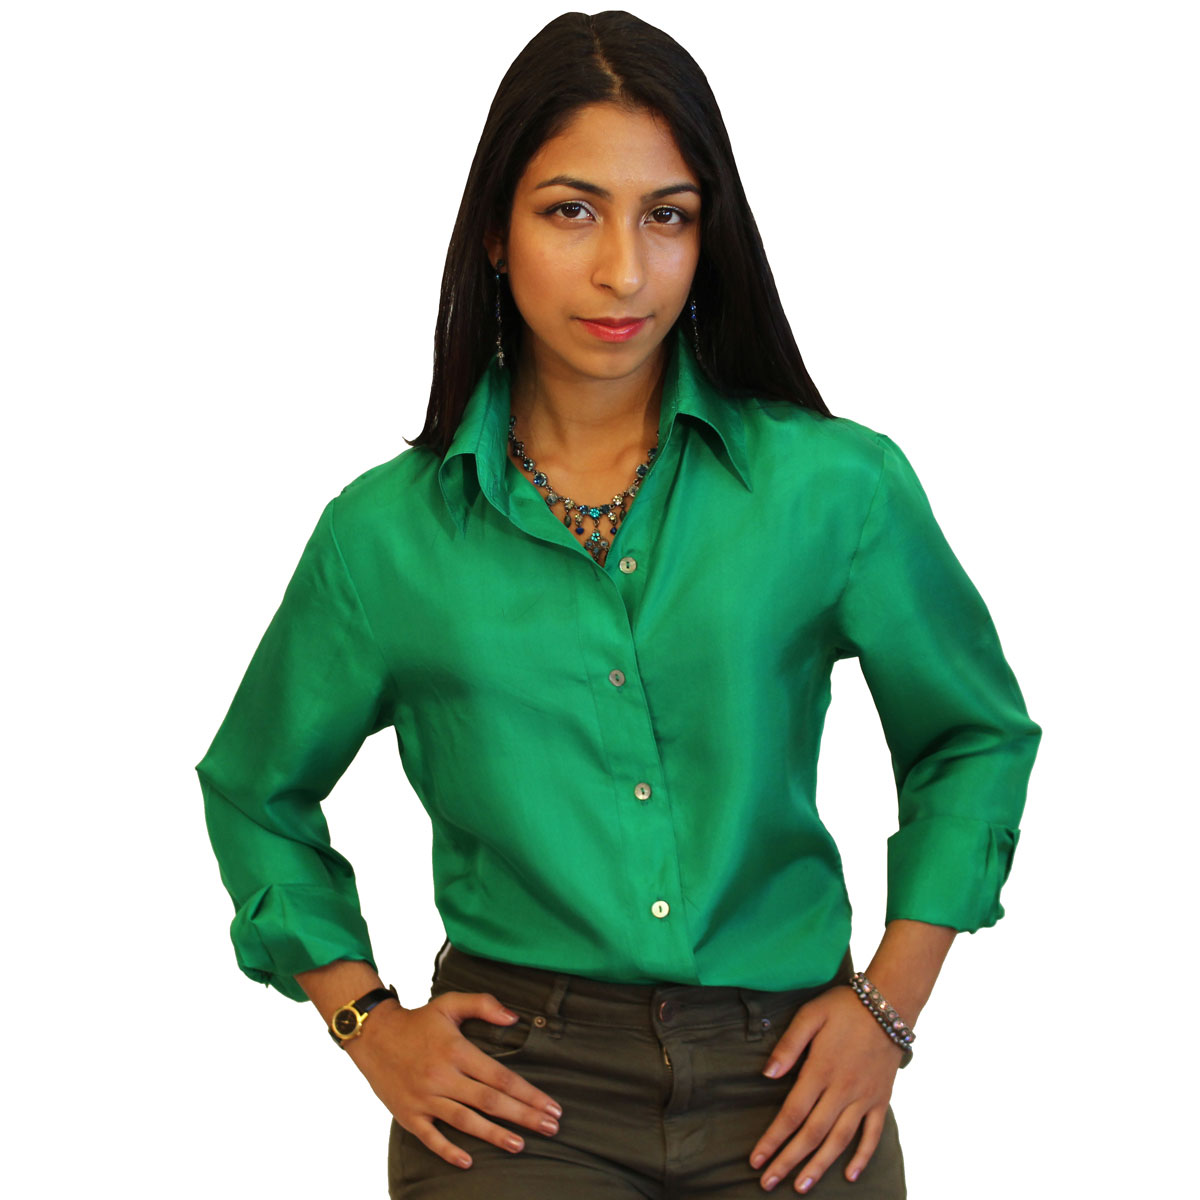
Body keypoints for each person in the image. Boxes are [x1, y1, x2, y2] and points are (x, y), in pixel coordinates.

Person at [197, 10, 1040, 1197]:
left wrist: (888, 1008)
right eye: (571, 211)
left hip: (795, 1079)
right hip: (517, 1093)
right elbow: (254, 789)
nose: (623, 272)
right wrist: (365, 1022)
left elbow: (973, 737)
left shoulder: (836, 489)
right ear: (495, 233)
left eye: (668, 216)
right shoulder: (384, 536)